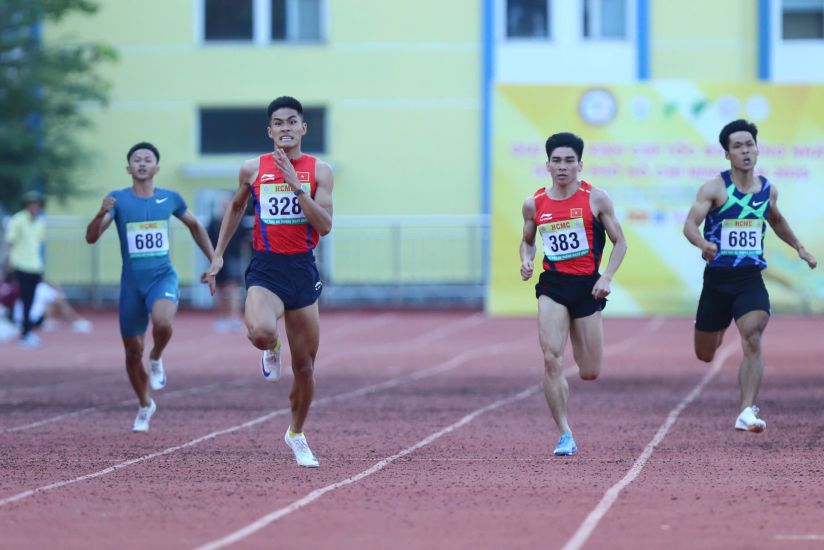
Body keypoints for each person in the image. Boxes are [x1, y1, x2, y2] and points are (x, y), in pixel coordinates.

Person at [205, 96, 334, 468]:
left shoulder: (319, 171)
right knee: (259, 331)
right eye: (278, 123)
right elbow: (235, 208)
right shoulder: (251, 168)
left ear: (303, 128)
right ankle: (272, 345)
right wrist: (217, 255)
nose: (285, 128)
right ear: (269, 131)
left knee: (306, 368)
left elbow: (324, 225)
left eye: (292, 122)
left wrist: (296, 185)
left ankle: (296, 433)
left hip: (302, 270)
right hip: (266, 268)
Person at [683, 119, 817, 433]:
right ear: (727, 155)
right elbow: (689, 224)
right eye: (737, 147)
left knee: (753, 337)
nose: (745, 151)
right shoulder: (714, 188)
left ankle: (746, 410)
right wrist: (703, 243)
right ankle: (710, 327)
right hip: (717, 281)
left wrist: (799, 247)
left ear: (757, 149)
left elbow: (777, 220)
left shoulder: (767, 189)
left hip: (749, 279)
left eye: (749, 145)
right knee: (705, 353)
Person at [85, 142, 214, 433]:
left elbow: (194, 226)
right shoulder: (117, 201)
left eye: (147, 160)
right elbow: (92, 238)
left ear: (156, 168)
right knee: (132, 353)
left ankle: (156, 357)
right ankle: (145, 404)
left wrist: (213, 259)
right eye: (136, 160)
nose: (142, 163)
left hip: (162, 277)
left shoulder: (170, 198)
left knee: (163, 322)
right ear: (128, 168)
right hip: (131, 284)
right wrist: (99, 212)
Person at [519, 132, 627, 457]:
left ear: (580, 165)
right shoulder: (534, 204)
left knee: (590, 370)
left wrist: (606, 277)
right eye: (556, 161)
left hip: (587, 287)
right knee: (552, 358)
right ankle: (565, 433)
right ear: (547, 165)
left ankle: (580, 371)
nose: (563, 167)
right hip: (553, 285)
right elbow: (527, 240)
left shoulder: (597, 199)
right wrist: (526, 259)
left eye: (569, 161)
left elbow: (620, 242)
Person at [4, 190, 46, 348]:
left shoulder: (40, 222)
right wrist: (7, 263)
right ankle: (24, 331)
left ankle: (26, 331)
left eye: (36, 204)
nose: (34, 207)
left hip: (34, 266)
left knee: (30, 299)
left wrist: (41, 266)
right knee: (22, 298)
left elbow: (37, 246)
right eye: (31, 204)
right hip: (20, 265)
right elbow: (10, 242)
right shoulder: (18, 220)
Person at [207, 195, 248, 333]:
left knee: (234, 288)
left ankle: (235, 318)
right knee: (219, 289)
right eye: (222, 205)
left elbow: (244, 240)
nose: (224, 207)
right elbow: (208, 240)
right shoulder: (213, 222)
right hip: (217, 259)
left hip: (233, 258)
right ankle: (223, 318)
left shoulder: (237, 221)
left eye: (227, 204)